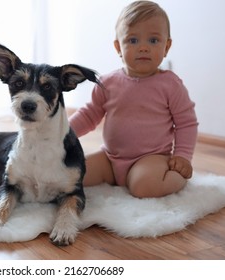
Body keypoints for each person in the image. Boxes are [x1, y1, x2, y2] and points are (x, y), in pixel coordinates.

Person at [69, 0, 198, 198]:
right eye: (133, 40)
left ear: (167, 46)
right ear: (118, 47)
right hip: (110, 159)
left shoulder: (170, 85)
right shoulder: (107, 82)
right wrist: (63, 133)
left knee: (143, 187)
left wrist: (182, 157)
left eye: (153, 41)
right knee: (72, 175)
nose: (143, 48)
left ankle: (177, 178)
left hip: (151, 158)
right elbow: (88, 115)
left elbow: (186, 123)